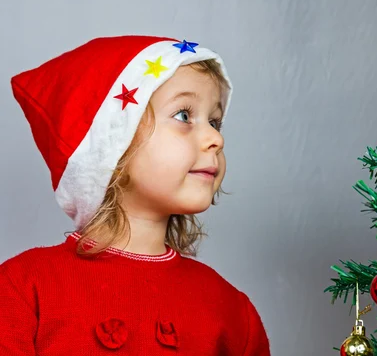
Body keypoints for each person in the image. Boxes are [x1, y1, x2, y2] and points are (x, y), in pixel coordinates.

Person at [0, 35, 271, 355]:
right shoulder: (22, 290)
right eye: (184, 115)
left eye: (215, 121)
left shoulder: (232, 311)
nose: (215, 138)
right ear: (111, 147)